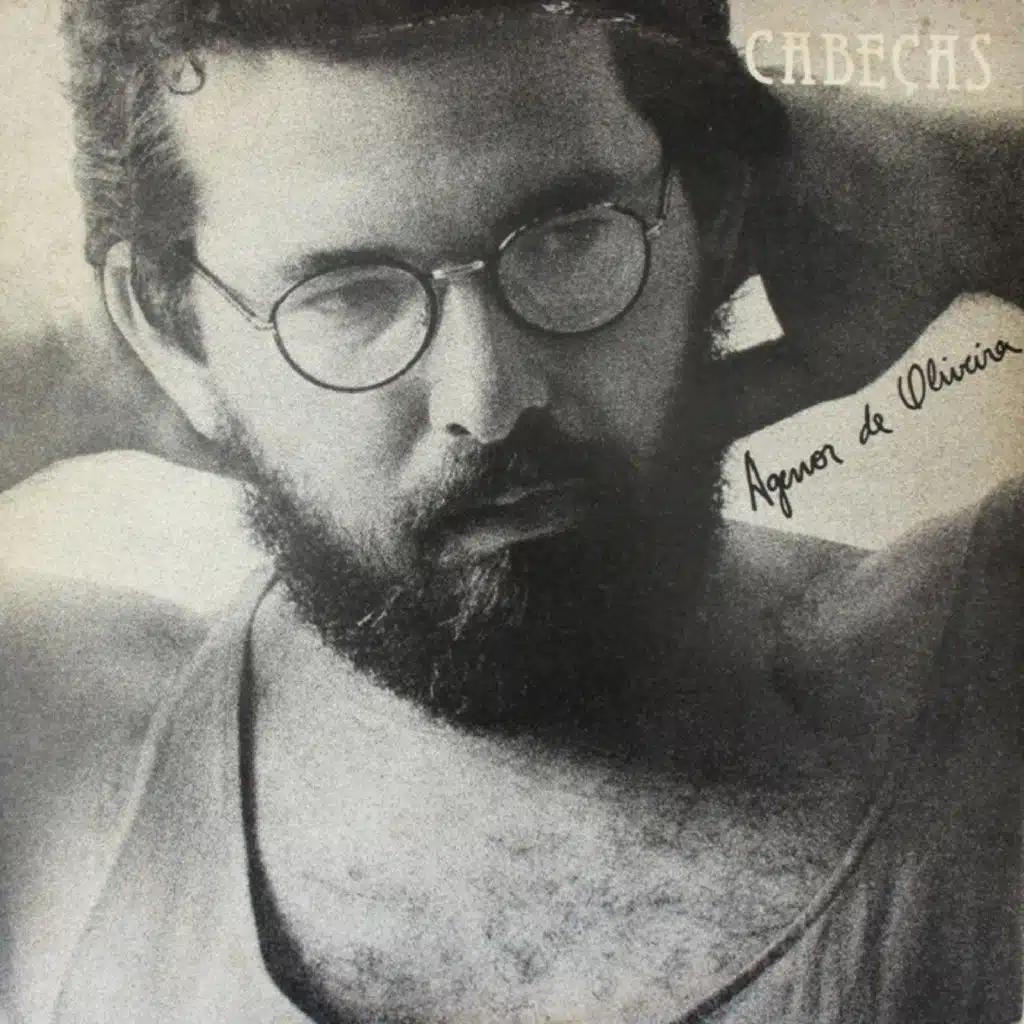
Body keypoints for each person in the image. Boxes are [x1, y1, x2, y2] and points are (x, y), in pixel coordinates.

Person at [1, 1, 1020, 1021]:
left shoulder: (982, 673)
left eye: (570, 237)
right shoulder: (59, 743)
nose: (487, 399)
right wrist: (112, 367)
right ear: (169, 325)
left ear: (715, 211)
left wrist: (949, 189)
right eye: (346, 292)